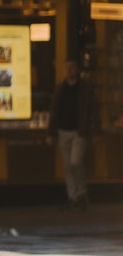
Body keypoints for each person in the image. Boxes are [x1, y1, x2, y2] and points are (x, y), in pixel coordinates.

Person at [49, 60, 99, 210]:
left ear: (77, 70)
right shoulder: (60, 89)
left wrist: (96, 132)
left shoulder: (85, 88)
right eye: (67, 68)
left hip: (79, 131)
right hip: (63, 130)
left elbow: (93, 110)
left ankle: (81, 192)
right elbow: (54, 111)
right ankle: (73, 196)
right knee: (67, 166)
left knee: (75, 162)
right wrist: (51, 132)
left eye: (72, 67)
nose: (69, 70)